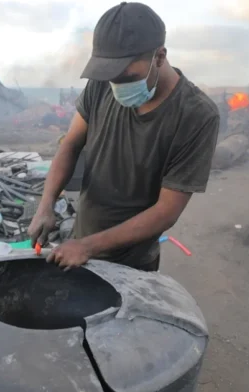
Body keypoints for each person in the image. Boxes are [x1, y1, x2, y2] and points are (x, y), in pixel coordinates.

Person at [29, 2, 220, 272]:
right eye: (111, 77)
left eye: (128, 75)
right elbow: (71, 143)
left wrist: (88, 246)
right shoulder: (102, 83)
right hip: (81, 244)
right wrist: (46, 204)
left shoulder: (196, 115)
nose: (117, 85)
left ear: (160, 57)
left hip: (133, 262)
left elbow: (167, 211)